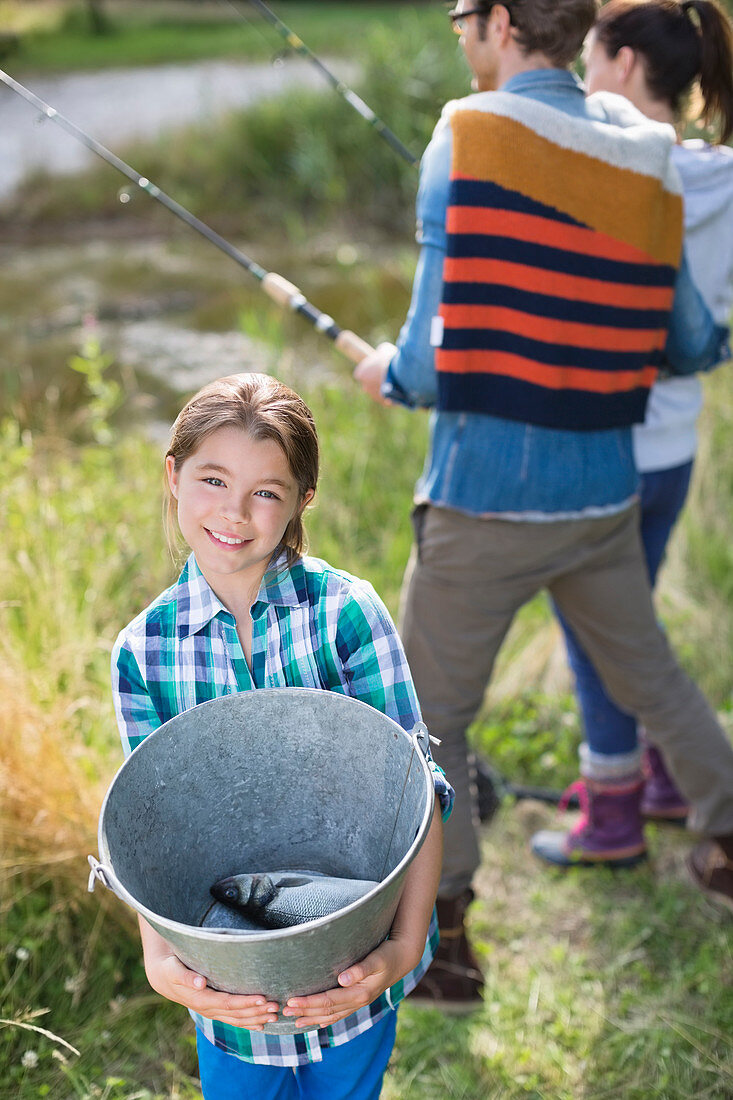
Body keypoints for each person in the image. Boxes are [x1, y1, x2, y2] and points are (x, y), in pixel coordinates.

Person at [354, 0, 733, 1013]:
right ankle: (729, 842)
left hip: (483, 500)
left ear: (507, 23)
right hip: (604, 490)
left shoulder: (466, 131)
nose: (454, 29)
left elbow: (428, 365)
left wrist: (381, 370)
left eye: (461, 15)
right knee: (649, 670)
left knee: (428, 719)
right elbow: (694, 343)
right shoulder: (651, 150)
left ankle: (446, 947)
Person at [111, 373, 453, 1100]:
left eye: (266, 491)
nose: (233, 512)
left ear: (302, 500)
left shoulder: (343, 615)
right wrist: (158, 960)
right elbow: (148, 833)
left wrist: (400, 948)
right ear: (172, 477)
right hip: (228, 987)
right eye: (211, 478)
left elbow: (413, 793)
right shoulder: (143, 652)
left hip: (350, 967)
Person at [539, 0, 733, 861]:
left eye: (588, 58)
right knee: (631, 621)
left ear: (620, 64)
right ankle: (653, 777)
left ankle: (612, 813)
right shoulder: (725, 179)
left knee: (594, 629)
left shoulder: (600, 172)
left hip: (602, 448)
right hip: (674, 447)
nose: (582, 75)